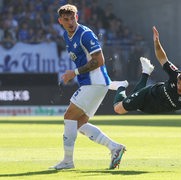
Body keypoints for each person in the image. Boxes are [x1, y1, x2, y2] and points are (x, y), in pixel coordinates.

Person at [50, 4, 125, 170]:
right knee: (78, 124)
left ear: (77, 17)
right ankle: (115, 147)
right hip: (92, 84)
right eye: (66, 19)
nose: (70, 22)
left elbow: (99, 61)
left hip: (95, 83)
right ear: (60, 21)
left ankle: (68, 161)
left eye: (73, 18)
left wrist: (74, 72)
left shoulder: (85, 34)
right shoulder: (66, 35)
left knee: (69, 116)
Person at [110, 26, 181, 136]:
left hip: (152, 108)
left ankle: (146, 72)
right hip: (149, 94)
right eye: (178, 83)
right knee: (119, 109)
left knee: (132, 99)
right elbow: (162, 58)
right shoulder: (175, 75)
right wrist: (156, 42)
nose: (179, 86)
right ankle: (121, 86)